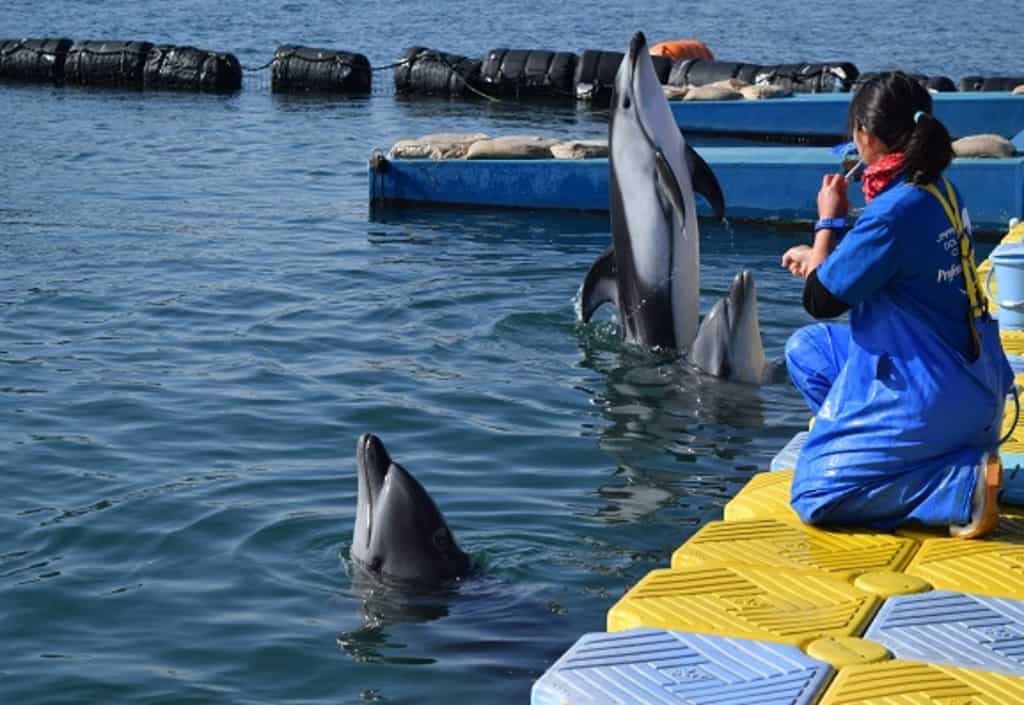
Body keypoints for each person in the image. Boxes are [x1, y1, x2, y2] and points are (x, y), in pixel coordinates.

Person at [780, 72, 1013, 539]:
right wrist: (823, 256)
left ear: (865, 136)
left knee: (815, 493)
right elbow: (885, 266)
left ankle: (958, 485)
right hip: (973, 379)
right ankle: (880, 448)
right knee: (807, 350)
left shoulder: (891, 215)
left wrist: (828, 221)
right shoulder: (938, 189)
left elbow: (819, 300)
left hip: (936, 394)